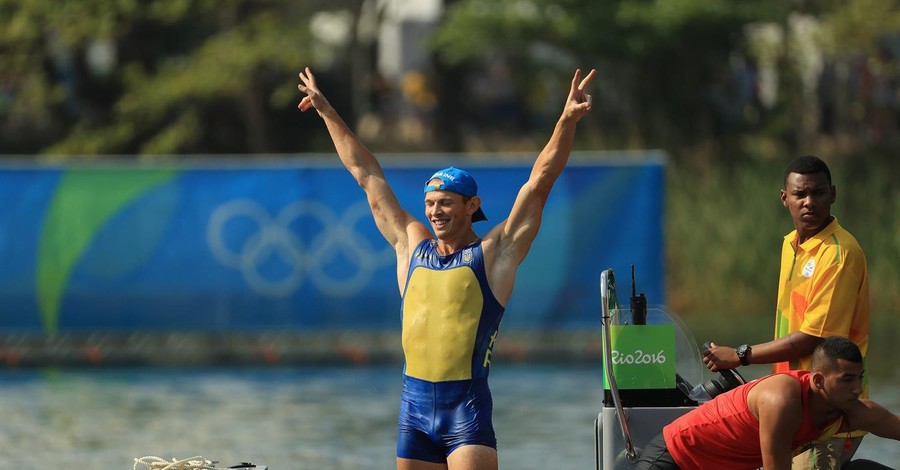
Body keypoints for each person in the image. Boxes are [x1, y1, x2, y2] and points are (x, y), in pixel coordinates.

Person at [297, 66, 596, 469]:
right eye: (431, 203)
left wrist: (565, 121)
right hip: (413, 412)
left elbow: (540, 182)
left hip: (466, 412)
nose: (435, 211)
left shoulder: (495, 254)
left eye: (446, 203)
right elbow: (366, 174)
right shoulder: (411, 245)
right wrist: (327, 111)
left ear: (471, 206)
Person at [703, 155, 870, 468]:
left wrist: (740, 355)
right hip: (795, 407)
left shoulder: (838, 254)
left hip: (829, 414)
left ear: (832, 194)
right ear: (784, 198)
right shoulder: (791, 244)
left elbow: (812, 339)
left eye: (818, 193)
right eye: (800, 195)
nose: (809, 202)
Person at [638, 336, 900, 470]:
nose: (857, 389)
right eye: (847, 380)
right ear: (818, 381)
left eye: (860, 379)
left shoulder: (852, 410)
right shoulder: (782, 399)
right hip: (675, 459)